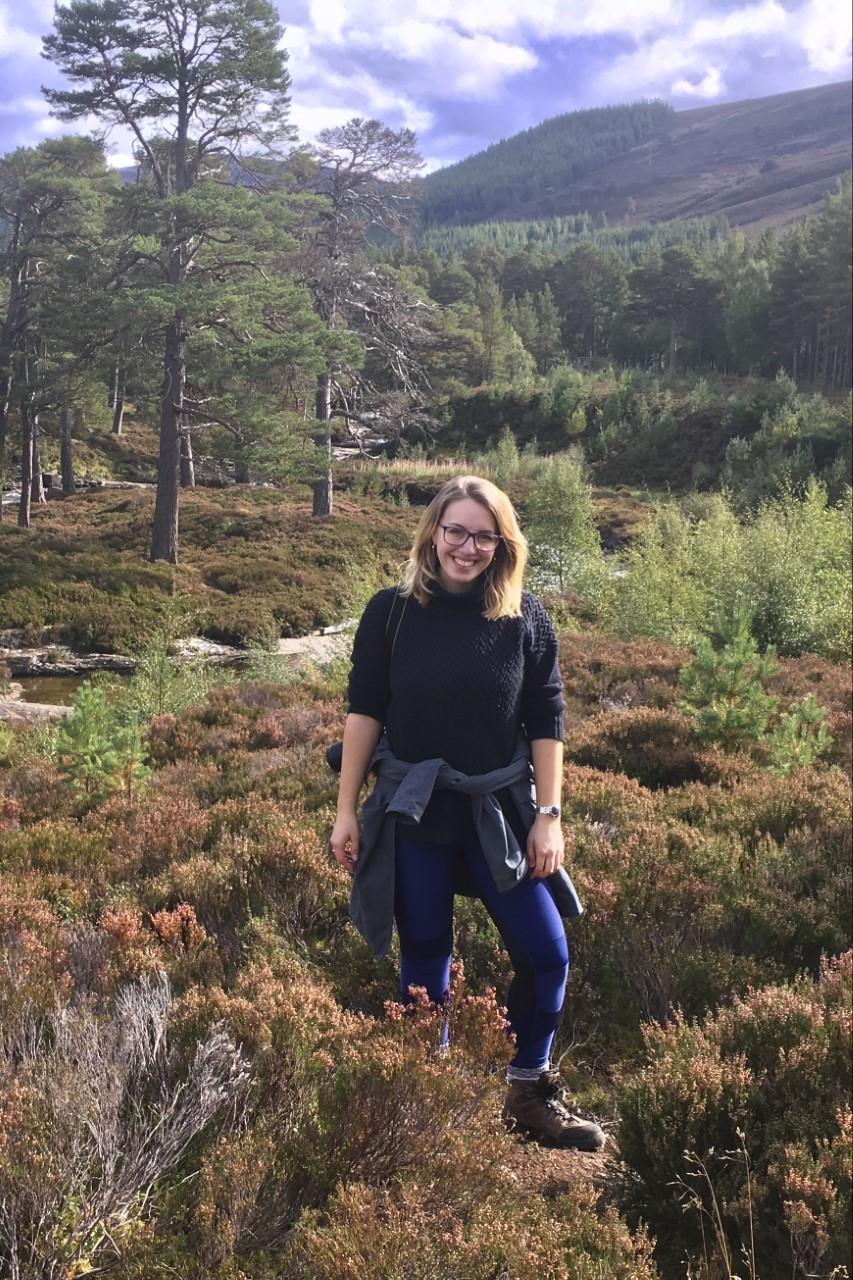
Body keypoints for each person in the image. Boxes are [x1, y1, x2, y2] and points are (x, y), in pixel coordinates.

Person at [330, 475, 605, 1151]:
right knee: (424, 953)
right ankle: (427, 1100)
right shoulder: (390, 612)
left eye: (484, 535)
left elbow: (546, 719)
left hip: (500, 812)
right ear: (432, 533)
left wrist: (550, 814)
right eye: (455, 530)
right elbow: (364, 712)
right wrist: (346, 812)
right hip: (416, 809)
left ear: (502, 544)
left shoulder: (525, 617)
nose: (467, 546)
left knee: (546, 953)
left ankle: (527, 1091)